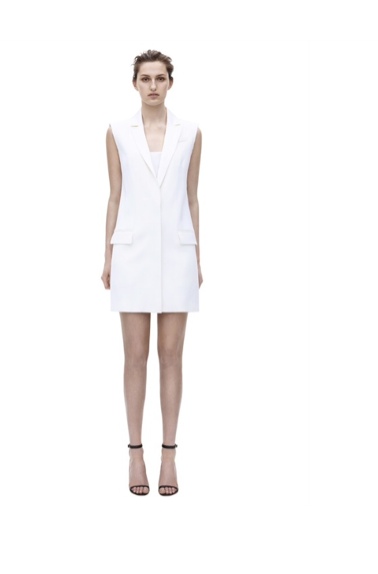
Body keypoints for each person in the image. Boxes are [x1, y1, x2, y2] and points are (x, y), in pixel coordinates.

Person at [101, 50, 203, 496]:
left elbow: (192, 197)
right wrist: (108, 255)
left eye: (160, 79)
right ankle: (134, 454)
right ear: (135, 84)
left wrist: (197, 255)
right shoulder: (117, 132)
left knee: (172, 356)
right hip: (132, 253)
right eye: (146, 79)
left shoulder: (191, 132)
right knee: (135, 357)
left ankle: (169, 456)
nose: (153, 86)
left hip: (178, 253)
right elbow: (115, 195)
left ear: (170, 83)